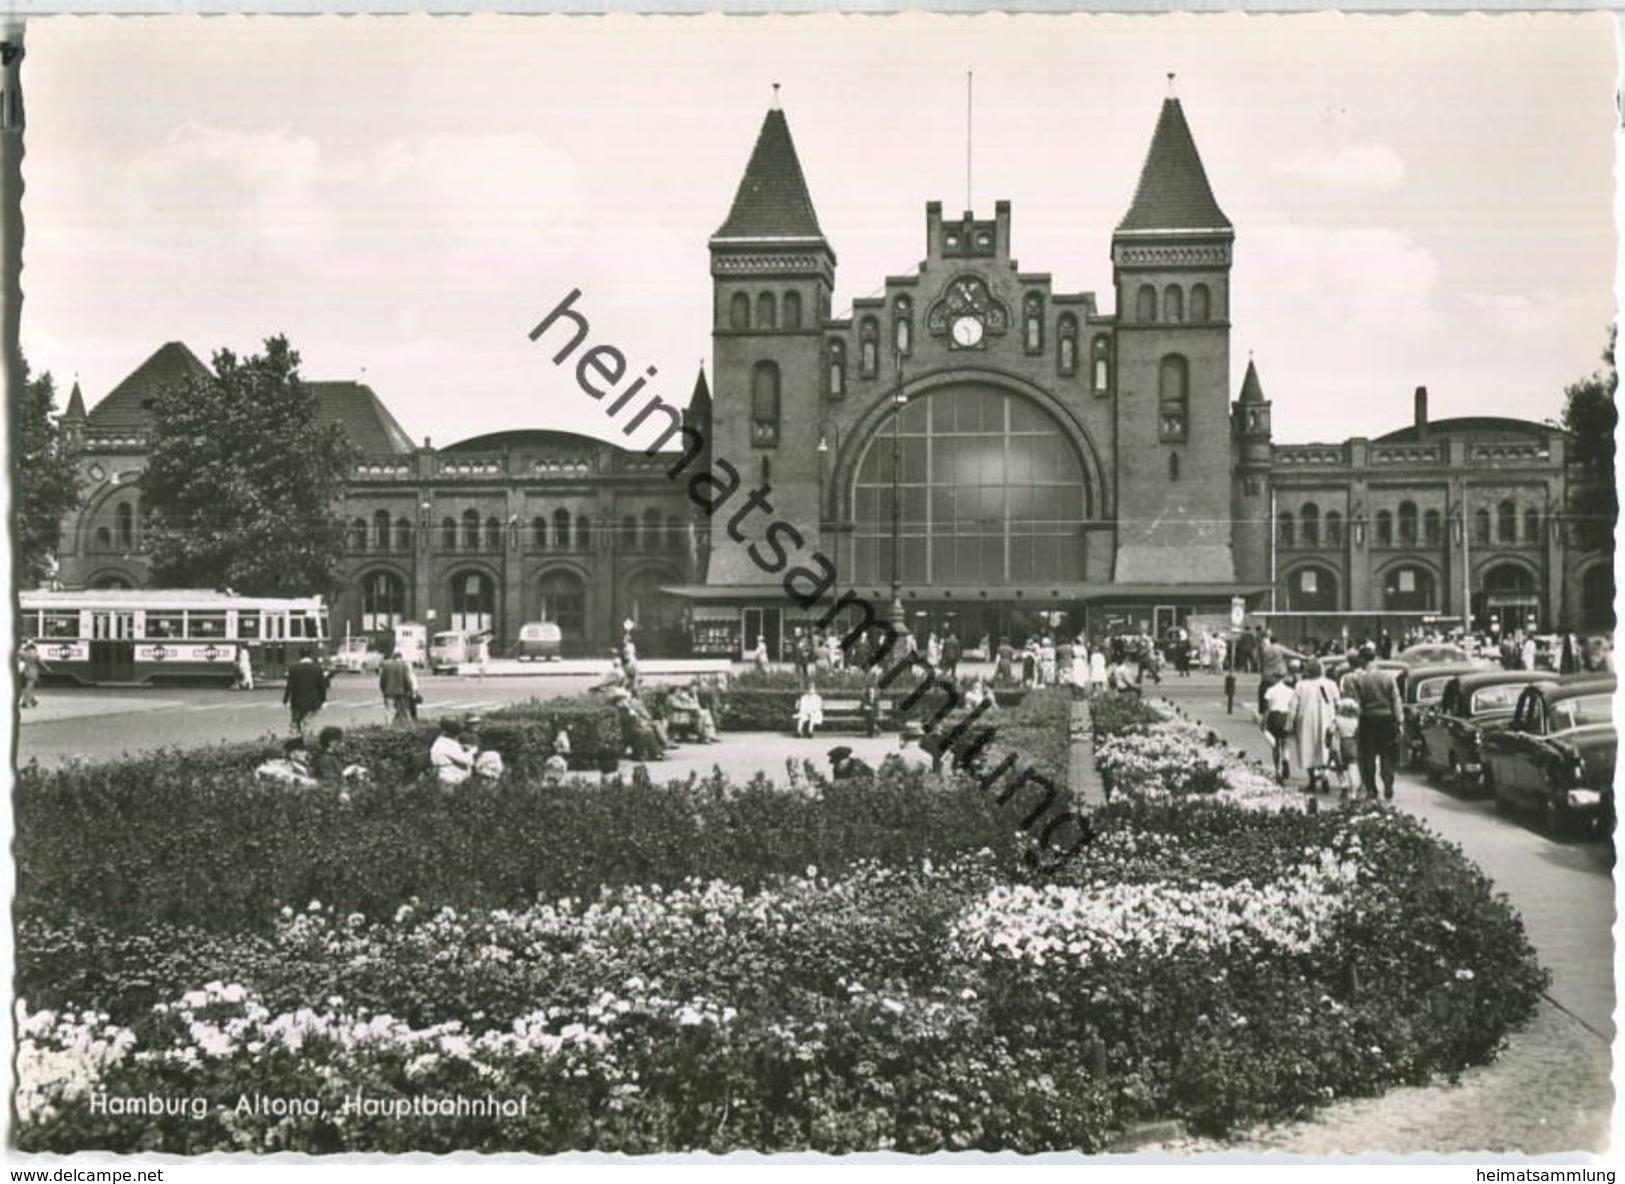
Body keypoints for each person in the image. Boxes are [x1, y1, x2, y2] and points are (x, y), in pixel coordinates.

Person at [1343, 645, 1402, 801]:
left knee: (1367, 755)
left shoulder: (1359, 679)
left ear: (1362, 659)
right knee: (1387, 755)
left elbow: (1357, 703)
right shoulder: (1388, 677)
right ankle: (1388, 783)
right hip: (1386, 719)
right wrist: (1399, 721)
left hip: (1368, 719)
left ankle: (1371, 788)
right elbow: (1395, 700)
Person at [1292, 658, 1342, 793]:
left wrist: (1290, 722)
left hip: (1306, 720)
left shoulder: (1300, 685)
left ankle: (1312, 779)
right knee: (1326, 749)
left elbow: (1293, 707)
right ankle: (1325, 775)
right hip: (1327, 720)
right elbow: (1338, 704)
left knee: (1307, 748)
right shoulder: (1331, 684)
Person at [1261, 675, 1298, 784]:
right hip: (1285, 715)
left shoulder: (1270, 690)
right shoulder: (1291, 691)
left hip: (1274, 716)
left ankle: (1278, 770)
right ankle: (1285, 759)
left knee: (1276, 744)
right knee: (1286, 742)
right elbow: (1293, 707)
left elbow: (1267, 708)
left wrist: (1264, 721)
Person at [283, 652, 328, 735]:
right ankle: (307, 737)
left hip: (297, 702)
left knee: (296, 722)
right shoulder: (317, 669)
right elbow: (322, 687)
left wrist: (285, 700)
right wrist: (324, 700)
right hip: (313, 702)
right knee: (308, 721)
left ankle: (296, 738)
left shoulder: (293, 669)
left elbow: (289, 686)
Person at [429, 718, 476, 786]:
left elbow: (454, 750)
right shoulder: (444, 745)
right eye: (457, 734)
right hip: (451, 778)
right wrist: (472, 750)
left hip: (454, 776)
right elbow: (468, 760)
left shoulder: (443, 741)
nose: (457, 737)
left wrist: (462, 746)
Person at [1331, 697, 1362, 797]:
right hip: (1352, 744)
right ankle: (1353, 791)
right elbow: (1359, 734)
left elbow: (1331, 731)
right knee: (1352, 767)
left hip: (1339, 744)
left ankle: (1343, 784)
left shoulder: (1337, 720)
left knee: (1339, 767)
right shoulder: (1356, 721)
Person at [378, 650, 418, 726]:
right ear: (400, 657)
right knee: (404, 710)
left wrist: (383, 690)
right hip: (401, 692)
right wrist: (410, 690)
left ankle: (388, 725)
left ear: (393, 657)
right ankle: (407, 725)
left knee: (389, 710)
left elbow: (382, 680)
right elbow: (407, 680)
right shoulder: (404, 666)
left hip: (388, 692)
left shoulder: (386, 666)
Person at [17, 640, 47, 709]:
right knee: (29, 688)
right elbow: (41, 663)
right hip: (33, 672)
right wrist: (47, 668)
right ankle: (27, 702)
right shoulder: (35, 654)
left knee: (27, 687)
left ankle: (31, 701)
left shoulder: (24, 653)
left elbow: (18, 652)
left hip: (26, 671)